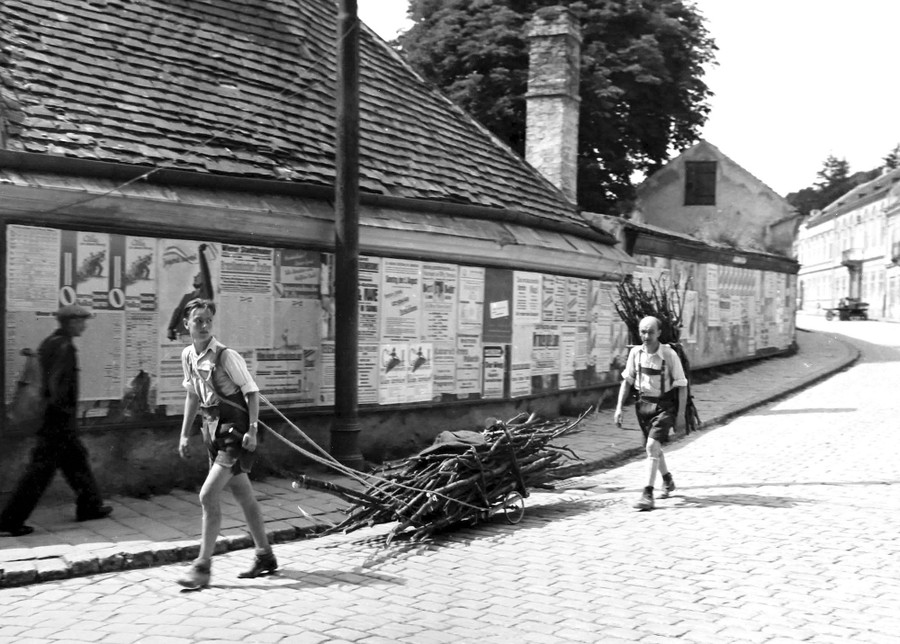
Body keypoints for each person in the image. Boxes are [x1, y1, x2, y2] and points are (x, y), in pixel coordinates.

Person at [176, 298, 276, 589]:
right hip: (212, 433)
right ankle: (265, 555)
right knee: (244, 495)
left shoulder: (225, 356)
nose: (204, 325)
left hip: (235, 433)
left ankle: (202, 566)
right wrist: (184, 434)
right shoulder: (188, 356)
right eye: (198, 320)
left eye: (208, 320)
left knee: (208, 496)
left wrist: (254, 430)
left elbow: (252, 392)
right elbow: (193, 396)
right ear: (187, 324)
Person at [0, 304, 112, 536]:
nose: (84, 325)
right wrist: (62, 417)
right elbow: (57, 387)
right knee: (39, 472)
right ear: (70, 322)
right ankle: (9, 522)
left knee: (76, 462)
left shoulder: (51, 342)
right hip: (57, 421)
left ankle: (90, 505)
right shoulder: (64, 347)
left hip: (56, 419)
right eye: (81, 321)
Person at [613, 316, 687, 511]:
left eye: (650, 332)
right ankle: (667, 479)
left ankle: (647, 494)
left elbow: (682, 385)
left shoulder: (669, 355)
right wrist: (619, 407)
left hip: (664, 406)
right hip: (642, 406)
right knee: (653, 448)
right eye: (643, 332)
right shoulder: (635, 354)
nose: (646, 336)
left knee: (652, 445)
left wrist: (680, 416)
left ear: (659, 333)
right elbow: (627, 380)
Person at [167, 273, 204, 341]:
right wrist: (171, 328)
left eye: (198, 276)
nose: (194, 277)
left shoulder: (205, 298)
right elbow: (177, 312)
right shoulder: (187, 296)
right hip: (182, 334)